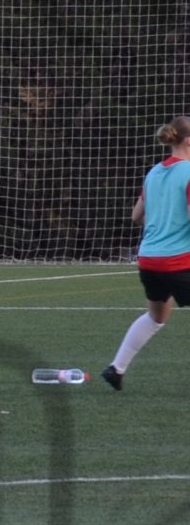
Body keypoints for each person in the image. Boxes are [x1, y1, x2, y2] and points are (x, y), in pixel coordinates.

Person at [103, 115, 190, 392]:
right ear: (188, 141)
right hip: (178, 260)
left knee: (156, 317)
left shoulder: (154, 172)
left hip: (149, 259)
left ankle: (116, 369)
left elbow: (136, 216)